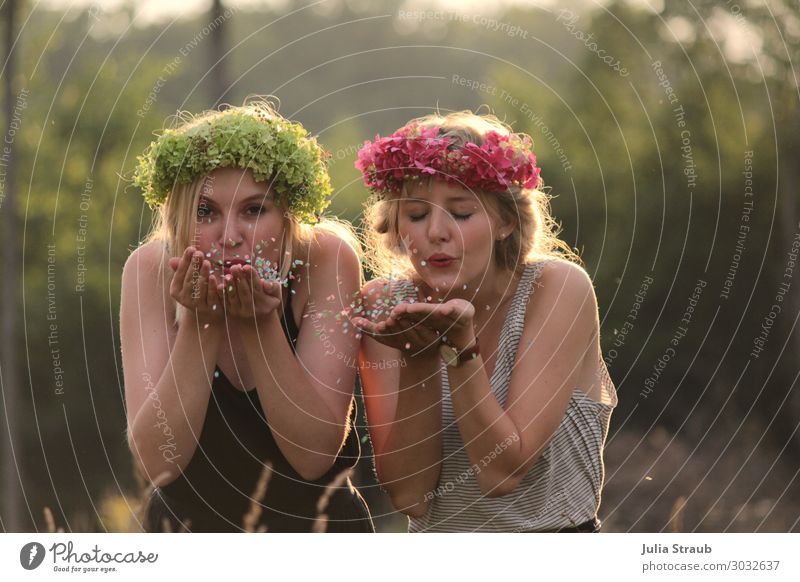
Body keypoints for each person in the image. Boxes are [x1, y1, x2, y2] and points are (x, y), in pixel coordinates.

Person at [352, 111, 617, 532]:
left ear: (506, 221)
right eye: (417, 215)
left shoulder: (556, 288)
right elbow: (410, 497)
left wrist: (460, 351)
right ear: (398, 227)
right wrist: (418, 358)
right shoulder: (386, 303)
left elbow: (502, 474)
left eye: (460, 213)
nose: (436, 232)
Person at [121, 100, 373, 532]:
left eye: (254, 210)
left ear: (289, 215)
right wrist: (201, 325)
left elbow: (313, 456)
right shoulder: (149, 269)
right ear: (178, 214)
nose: (231, 236)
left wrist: (260, 325)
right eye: (206, 212)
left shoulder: (326, 259)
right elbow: (157, 464)